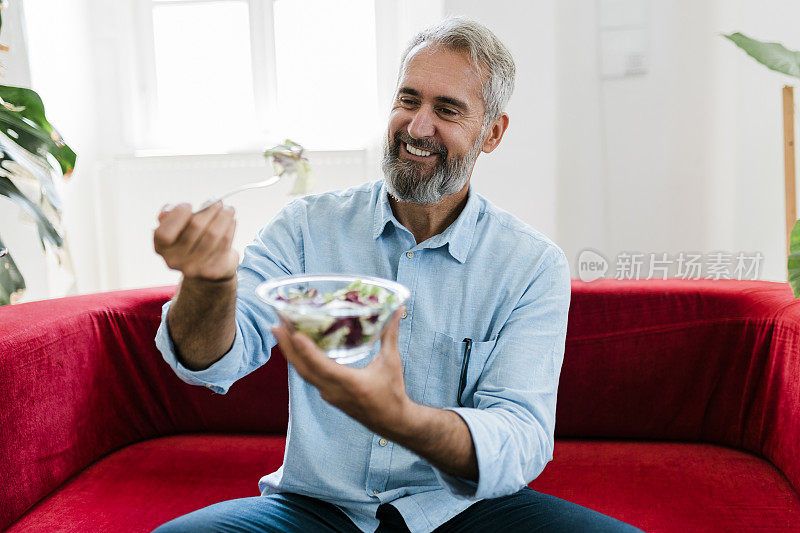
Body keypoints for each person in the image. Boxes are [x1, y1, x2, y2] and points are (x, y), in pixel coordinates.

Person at [152, 17, 642, 533]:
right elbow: (207, 364)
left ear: (492, 133)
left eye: (447, 110)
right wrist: (209, 283)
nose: (417, 126)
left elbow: (520, 436)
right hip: (318, 509)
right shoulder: (305, 229)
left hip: (467, 510)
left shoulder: (531, 265)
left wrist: (402, 420)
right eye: (408, 101)